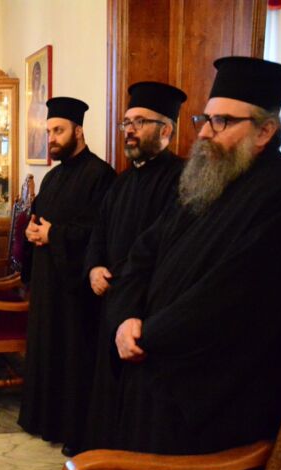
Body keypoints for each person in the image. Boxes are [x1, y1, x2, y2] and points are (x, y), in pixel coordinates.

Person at [108, 56, 281, 470]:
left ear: (265, 131)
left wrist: (149, 333)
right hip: (151, 362)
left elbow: (231, 297)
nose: (206, 133)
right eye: (204, 119)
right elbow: (144, 251)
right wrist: (127, 316)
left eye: (223, 121)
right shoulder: (205, 176)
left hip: (209, 391)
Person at [83, 81, 186, 451]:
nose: (129, 129)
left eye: (139, 122)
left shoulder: (183, 179)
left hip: (146, 305)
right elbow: (99, 231)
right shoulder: (122, 181)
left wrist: (122, 277)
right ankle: (102, 456)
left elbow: (163, 246)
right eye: (126, 122)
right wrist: (94, 267)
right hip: (112, 297)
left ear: (166, 130)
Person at [17, 97, 116, 454]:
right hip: (47, 283)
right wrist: (32, 232)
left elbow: (100, 233)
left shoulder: (101, 175)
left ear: (78, 131)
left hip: (76, 291)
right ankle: (44, 420)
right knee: (46, 351)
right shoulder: (53, 176)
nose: (52, 139)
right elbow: (39, 218)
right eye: (48, 132)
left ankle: (74, 430)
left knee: (74, 357)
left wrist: (54, 235)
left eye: (58, 131)